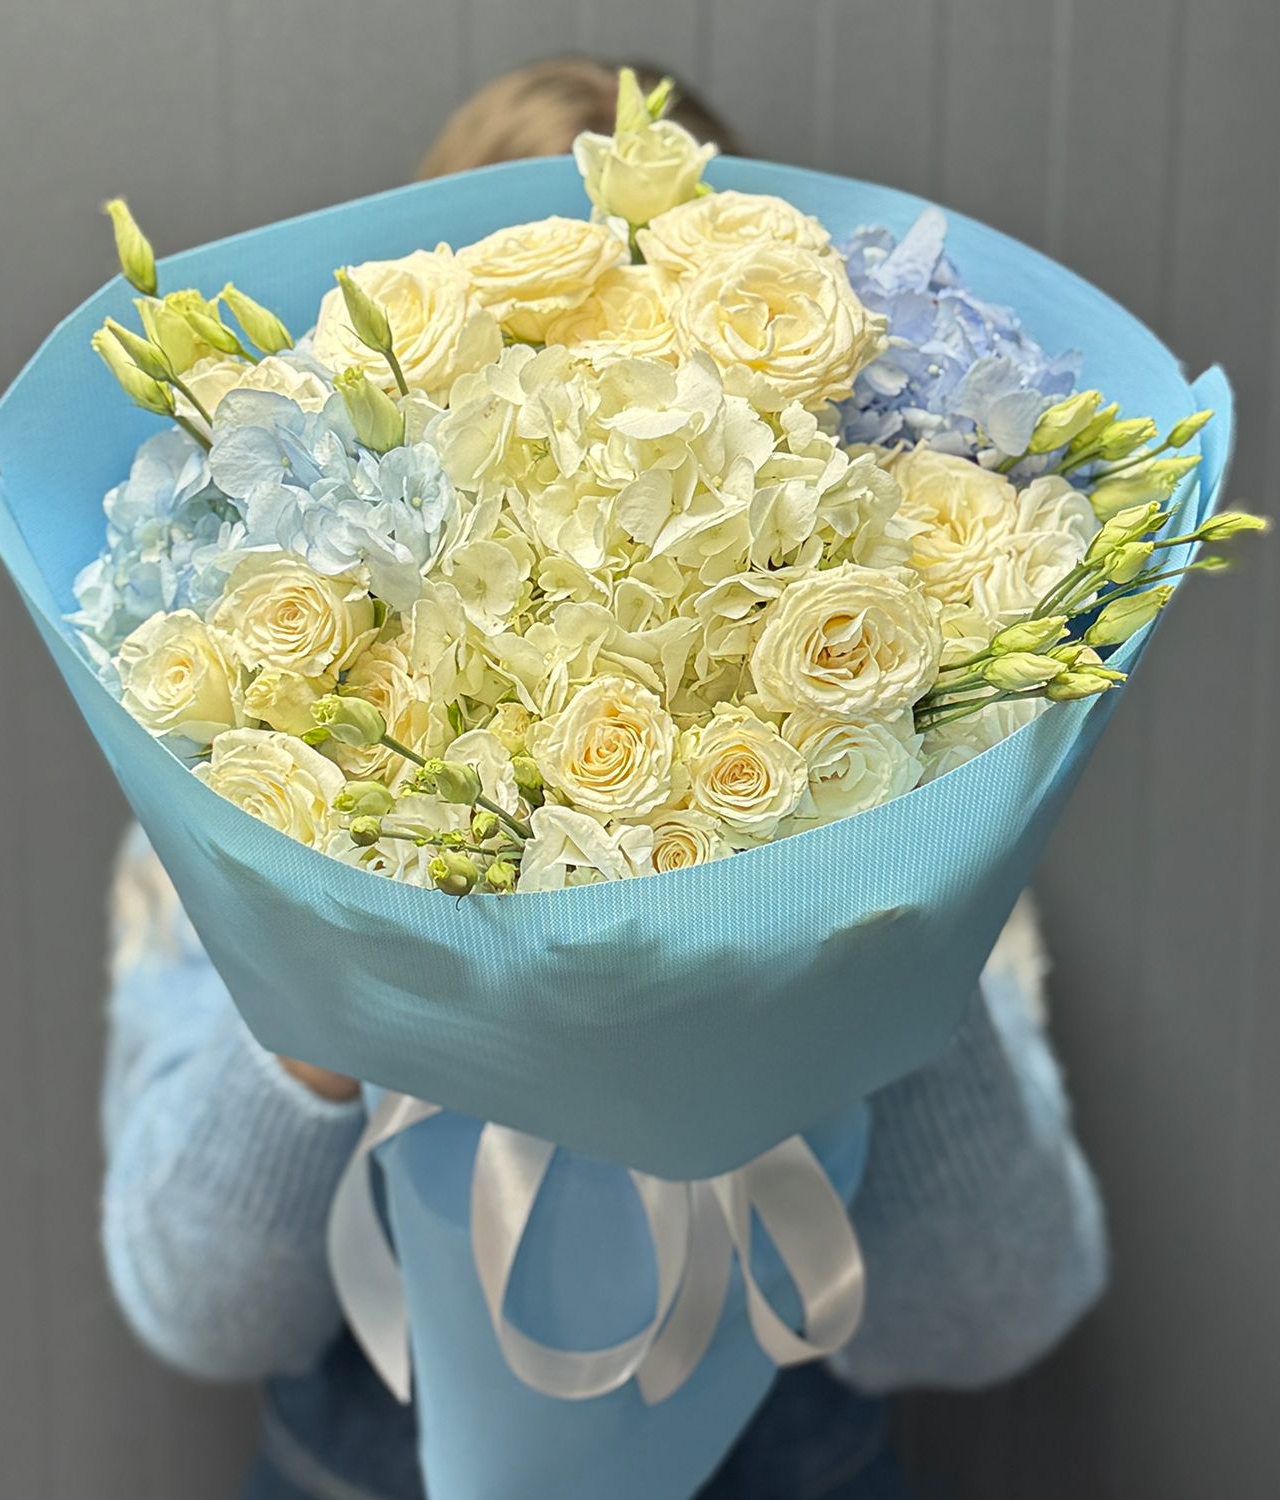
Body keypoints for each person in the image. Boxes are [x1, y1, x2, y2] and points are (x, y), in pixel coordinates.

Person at [100, 57, 1107, 1500]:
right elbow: (195, 1312)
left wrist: (889, 926)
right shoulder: (258, 772)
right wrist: (328, 978)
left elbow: (993, 1315)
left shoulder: (907, 766)